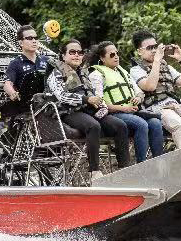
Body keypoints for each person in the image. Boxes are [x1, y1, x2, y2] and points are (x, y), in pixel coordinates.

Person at [46, 39, 131, 180]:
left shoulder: (83, 73)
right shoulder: (55, 74)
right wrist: (86, 100)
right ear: (63, 56)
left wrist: (101, 105)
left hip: (87, 110)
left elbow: (92, 94)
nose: (77, 55)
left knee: (120, 125)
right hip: (68, 112)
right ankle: (94, 171)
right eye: (72, 52)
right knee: (93, 126)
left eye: (79, 52)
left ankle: (124, 169)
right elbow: (62, 96)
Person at [87, 41, 165, 163]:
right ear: (102, 58)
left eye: (117, 53)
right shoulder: (96, 75)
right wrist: (124, 108)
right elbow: (99, 103)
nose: (116, 57)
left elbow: (139, 92)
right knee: (141, 124)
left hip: (132, 112)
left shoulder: (123, 72)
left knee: (155, 123)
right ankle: (141, 164)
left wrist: (138, 98)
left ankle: (159, 163)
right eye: (112, 55)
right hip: (113, 114)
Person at [129, 30, 181, 149]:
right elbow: (150, 86)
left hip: (175, 106)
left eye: (155, 46)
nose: (154, 50)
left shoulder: (166, 66)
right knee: (178, 125)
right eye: (149, 48)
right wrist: (157, 61)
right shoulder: (136, 70)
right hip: (155, 109)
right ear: (139, 51)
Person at [3, 25, 49, 115]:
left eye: (36, 38)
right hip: (25, 107)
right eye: (30, 38)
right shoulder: (15, 63)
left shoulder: (47, 60)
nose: (34, 41)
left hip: (47, 104)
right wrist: (12, 93)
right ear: (21, 43)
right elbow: (7, 84)